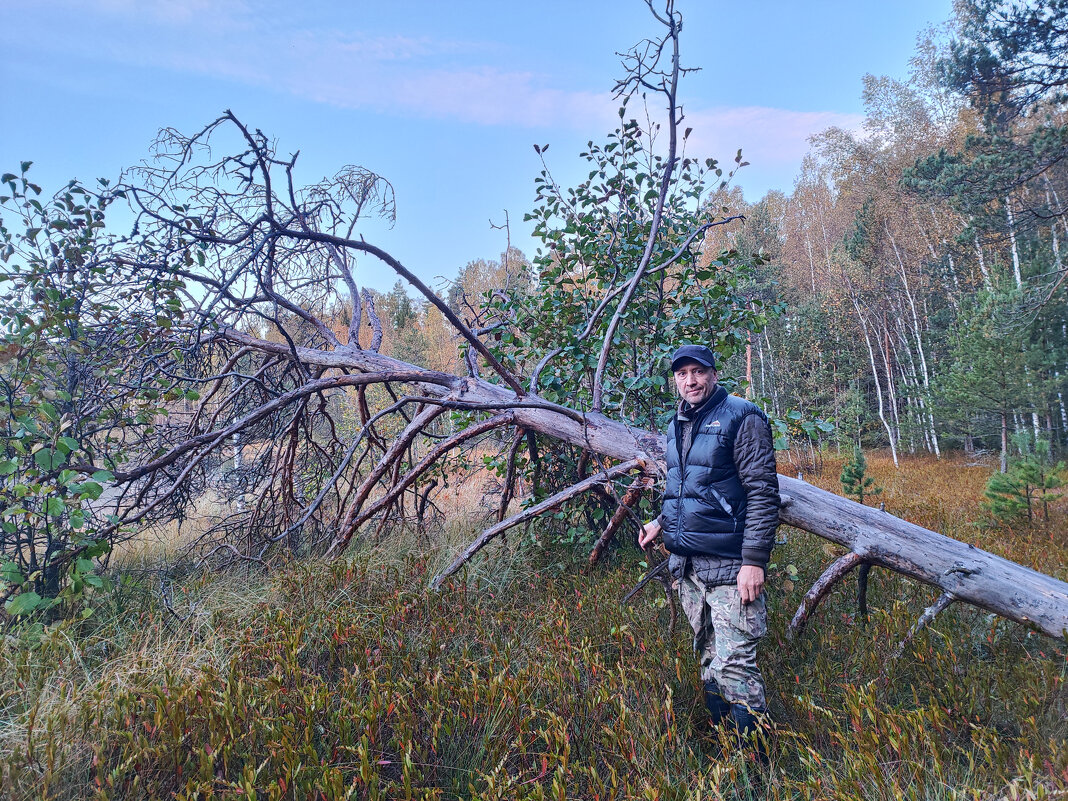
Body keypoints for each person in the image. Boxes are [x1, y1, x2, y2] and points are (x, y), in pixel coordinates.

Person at [639, 344, 780, 758]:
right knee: (708, 660)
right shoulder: (677, 423)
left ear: (713, 374)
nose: (690, 381)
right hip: (688, 567)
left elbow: (762, 493)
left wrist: (754, 562)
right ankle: (727, 751)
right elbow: (686, 488)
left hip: (730, 565)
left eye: (697, 372)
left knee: (736, 666)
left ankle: (755, 766)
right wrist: (660, 523)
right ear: (675, 380)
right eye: (681, 374)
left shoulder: (743, 416)